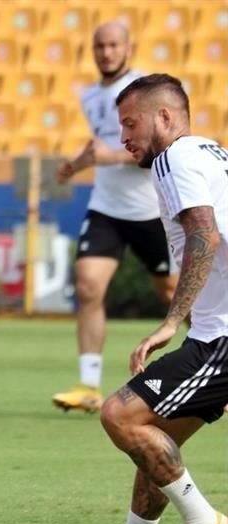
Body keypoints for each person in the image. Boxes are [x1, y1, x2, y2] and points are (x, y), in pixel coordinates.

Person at [51, 73, 228, 524]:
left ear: (165, 117)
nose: (122, 136)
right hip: (215, 333)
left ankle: (204, 522)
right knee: (155, 440)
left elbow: (203, 234)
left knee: (120, 415)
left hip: (221, 338)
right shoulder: (211, 153)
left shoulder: (176, 159)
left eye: (130, 123)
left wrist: (172, 319)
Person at [52, 22, 178, 414]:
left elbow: (161, 147)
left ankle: (220, 375)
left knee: (175, 295)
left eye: (113, 45)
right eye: (99, 45)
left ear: (128, 47)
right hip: (107, 207)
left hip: (150, 210)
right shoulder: (90, 96)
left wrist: (111, 156)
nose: (106, 52)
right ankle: (89, 384)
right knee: (89, 285)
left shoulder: (145, 90)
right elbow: (100, 145)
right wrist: (76, 165)